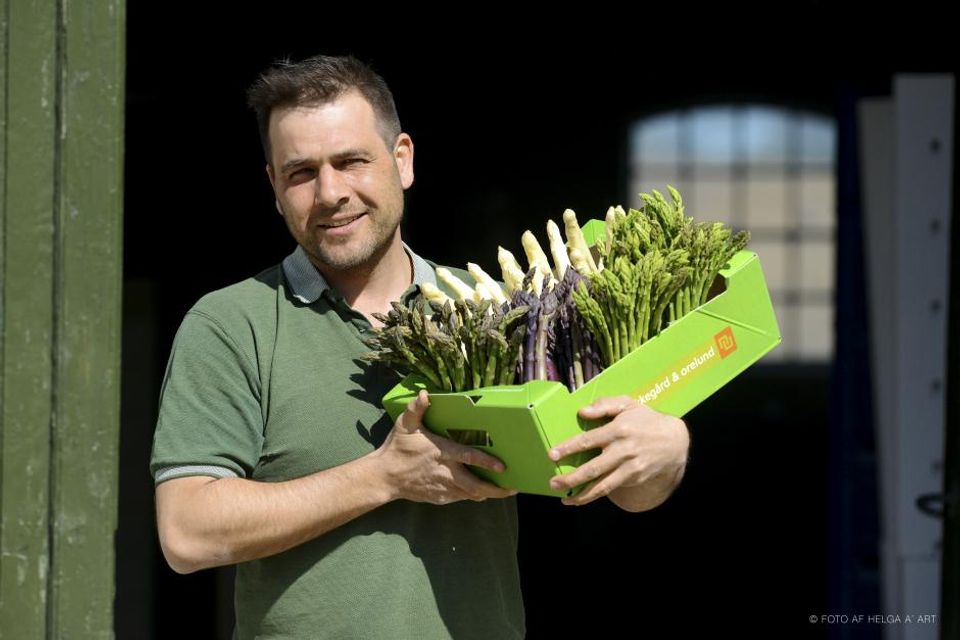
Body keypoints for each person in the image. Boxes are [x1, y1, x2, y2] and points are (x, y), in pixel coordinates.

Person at [151, 54, 690, 639]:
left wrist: (665, 451)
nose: (330, 192)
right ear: (274, 189)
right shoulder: (232, 324)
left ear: (402, 159)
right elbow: (187, 533)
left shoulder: (496, 307)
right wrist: (384, 476)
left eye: (351, 161)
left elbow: (614, 478)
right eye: (301, 173)